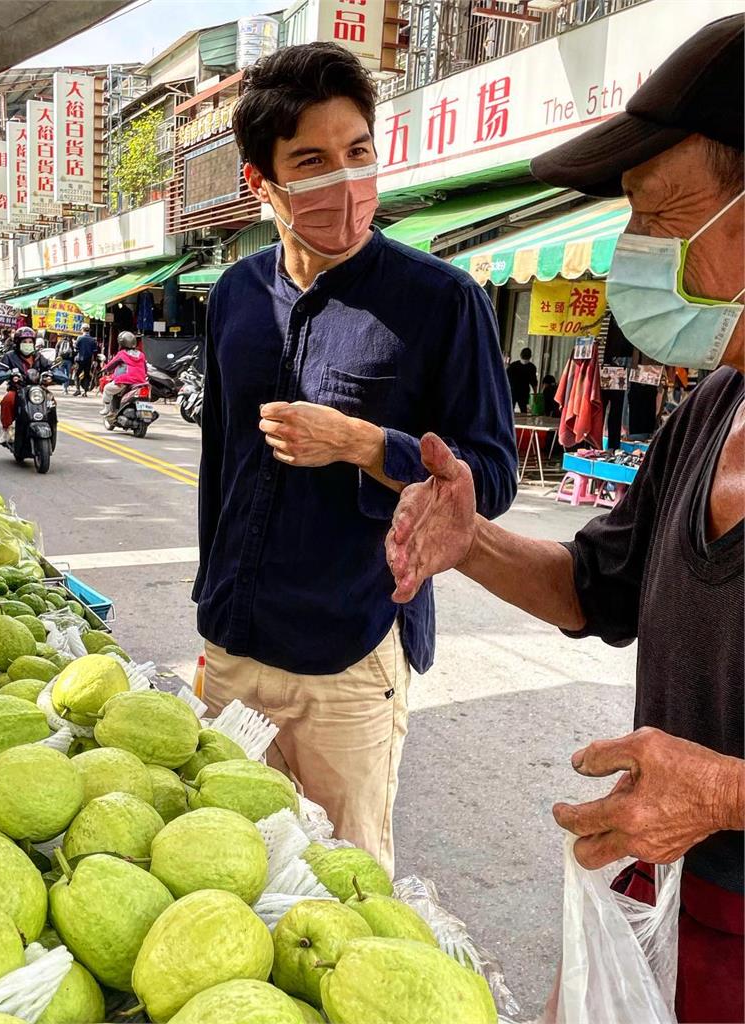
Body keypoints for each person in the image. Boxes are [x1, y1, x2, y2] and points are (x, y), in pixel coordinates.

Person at [386, 16, 743, 1021]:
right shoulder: (706, 410)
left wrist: (721, 794)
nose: (632, 254)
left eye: (662, 215)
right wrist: (471, 540)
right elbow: (596, 589)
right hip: (661, 898)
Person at [194, 42, 517, 872]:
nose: (344, 181)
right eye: (312, 161)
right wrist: (212, 597)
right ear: (259, 183)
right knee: (227, 866)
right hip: (234, 647)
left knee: (343, 885)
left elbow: (493, 474)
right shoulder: (234, 294)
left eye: (359, 153)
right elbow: (220, 464)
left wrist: (371, 446)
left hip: (350, 650)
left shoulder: (444, 301)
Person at [0, 326, 54, 442]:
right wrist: (7, 374)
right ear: (17, 343)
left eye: (30, 342)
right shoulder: (9, 356)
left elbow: (52, 367)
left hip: (38, 391)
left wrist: (53, 375)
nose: (28, 344)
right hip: (18, 390)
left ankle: (51, 425)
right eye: (24, 341)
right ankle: (6, 430)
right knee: (7, 400)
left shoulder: (38, 357)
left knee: (52, 402)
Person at [100, 331, 148, 422]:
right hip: (140, 381)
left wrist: (104, 369)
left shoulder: (122, 354)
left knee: (107, 389)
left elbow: (111, 365)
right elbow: (145, 369)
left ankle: (106, 409)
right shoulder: (141, 354)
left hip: (125, 380)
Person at [506, 347, 538, 414]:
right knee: (523, 410)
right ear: (530, 356)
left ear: (520, 355)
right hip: (524, 392)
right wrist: (535, 394)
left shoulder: (513, 366)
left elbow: (505, 378)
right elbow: (534, 382)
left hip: (512, 391)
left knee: (510, 410)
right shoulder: (531, 367)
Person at [74, 328, 98, 397]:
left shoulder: (80, 338)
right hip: (88, 360)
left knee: (77, 374)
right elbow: (95, 351)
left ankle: (78, 389)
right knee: (87, 375)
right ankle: (85, 392)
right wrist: (94, 360)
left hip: (80, 360)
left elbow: (76, 348)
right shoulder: (93, 340)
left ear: (82, 330)